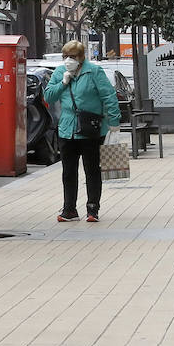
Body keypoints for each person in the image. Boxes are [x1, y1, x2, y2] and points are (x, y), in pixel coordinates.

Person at [44, 40, 120, 222]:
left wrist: (114, 121)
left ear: (81, 57)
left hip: (90, 128)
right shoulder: (60, 72)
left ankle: (92, 208)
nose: (68, 60)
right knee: (68, 171)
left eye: (72, 56)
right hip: (67, 129)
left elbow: (109, 96)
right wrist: (63, 82)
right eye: (66, 57)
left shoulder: (93, 71)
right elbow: (48, 95)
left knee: (92, 169)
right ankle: (69, 209)